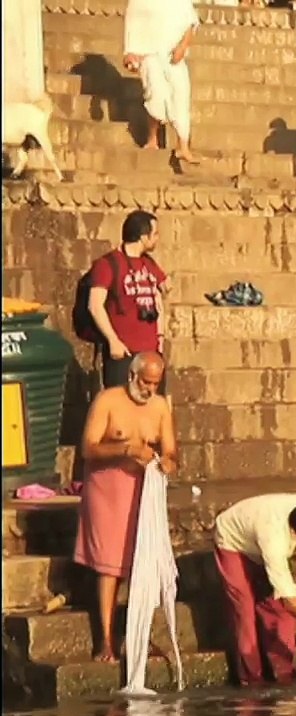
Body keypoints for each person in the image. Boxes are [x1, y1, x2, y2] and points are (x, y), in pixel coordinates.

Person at [74, 352, 177, 662]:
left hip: (142, 491)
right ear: (132, 376)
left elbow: (171, 450)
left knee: (142, 562)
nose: (150, 389)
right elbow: (88, 448)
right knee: (109, 565)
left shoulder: (160, 407)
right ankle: (105, 640)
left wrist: (168, 462)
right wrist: (126, 448)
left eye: (155, 384)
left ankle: (138, 635)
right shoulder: (107, 400)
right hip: (106, 492)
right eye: (146, 382)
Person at [214, 495, 296, 686]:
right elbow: (289, 600)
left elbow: (285, 596)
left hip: (259, 539)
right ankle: (252, 679)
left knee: (279, 611)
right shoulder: (274, 539)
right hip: (232, 541)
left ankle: (283, 673)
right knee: (244, 610)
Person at [86, 211, 169, 390]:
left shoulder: (148, 263)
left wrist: (160, 337)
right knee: (121, 403)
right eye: (155, 234)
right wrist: (113, 340)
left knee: (154, 404)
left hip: (151, 353)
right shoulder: (107, 264)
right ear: (143, 237)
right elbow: (95, 305)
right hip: (124, 352)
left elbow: (161, 293)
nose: (157, 238)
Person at [123, 0, 200, 164]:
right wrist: (131, 52)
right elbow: (133, 23)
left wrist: (182, 47)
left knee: (180, 95)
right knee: (156, 94)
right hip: (149, 54)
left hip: (174, 55)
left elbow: (191, 22)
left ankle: (183, 146)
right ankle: (152, 139)